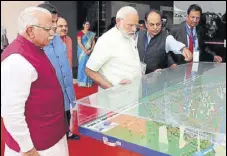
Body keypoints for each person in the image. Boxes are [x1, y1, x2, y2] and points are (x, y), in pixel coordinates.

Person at [1, 7, 69, 156]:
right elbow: (11, 112)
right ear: (30, 31)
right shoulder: (17, 60)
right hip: (36, 147)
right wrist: (28, 149)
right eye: (48, 29)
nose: (52, 33)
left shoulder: (35, 48)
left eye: (53, 28)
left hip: (50, 137)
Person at [37, 3, 79, 140]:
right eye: (52, 22)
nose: (55, 25)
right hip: (48, 97)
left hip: (65, 89)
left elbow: (65, 65)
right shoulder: (36, 44)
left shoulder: (58, 40)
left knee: (66, 114)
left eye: (56, 21)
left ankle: (67, 134)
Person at [85, 6, 141, 90]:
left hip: (133, 93)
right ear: (118, 21)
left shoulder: (129, 36)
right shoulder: (107, 40)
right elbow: (89, 70)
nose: (134, 29)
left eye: (135, 25)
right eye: (130, 25)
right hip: (114, 98)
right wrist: (112, 89)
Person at [137, 9, 193, 74]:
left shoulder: (166, 37)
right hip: (139, 77)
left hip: (156, 79)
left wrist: (184, 49)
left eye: (158, 24)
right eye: (152, 24)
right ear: (146, 24)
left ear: (161, 23)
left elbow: (175, 44)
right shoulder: (139, 35)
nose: (155, 27)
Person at [77, 21, 96, 87]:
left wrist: (91, 50)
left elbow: (93, 43)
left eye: (88, 24)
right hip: (82, 52)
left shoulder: (91, 34)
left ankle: (88, 83)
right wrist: (85, 50)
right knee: (82, 66)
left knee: (89, 66)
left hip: (89, 52)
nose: (88, 25)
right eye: (86, 24)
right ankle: (82, 82)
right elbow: (79, 43)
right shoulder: (80, 33)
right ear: (83, 25)